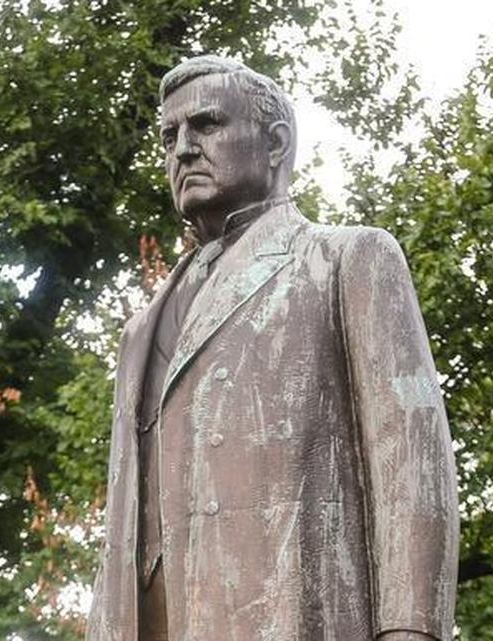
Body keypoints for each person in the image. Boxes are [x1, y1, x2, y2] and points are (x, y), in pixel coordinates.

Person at [86, 55, 458, 641]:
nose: (183, 149)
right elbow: (122, 527)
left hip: (292, 615)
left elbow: (411, 464)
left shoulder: (346, 260)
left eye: (206, 125)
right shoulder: (139, 331)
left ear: (276, 142)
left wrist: (411, 631)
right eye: (169, 137)